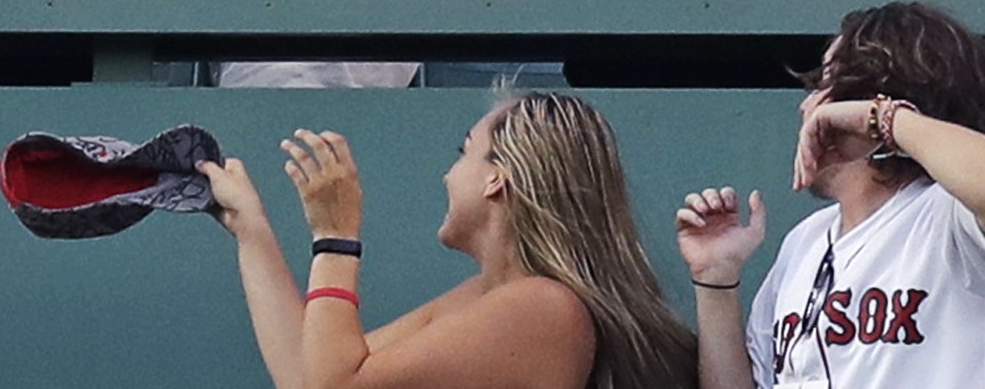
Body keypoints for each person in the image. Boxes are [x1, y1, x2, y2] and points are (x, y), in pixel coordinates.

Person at [200, 93, 696, 388]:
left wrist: (335, 234)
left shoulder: (545, 305)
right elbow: (308, 375)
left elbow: (335, 387)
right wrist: (252, 231)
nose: (446, 174)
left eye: (465, 152)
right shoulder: (491, 298)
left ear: (495, 180)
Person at [676, 1, 985, 388]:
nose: (807, 105)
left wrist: (885, 119)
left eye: (824, 85)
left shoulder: (947, 217)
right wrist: (716, 281)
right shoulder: (803, 242)